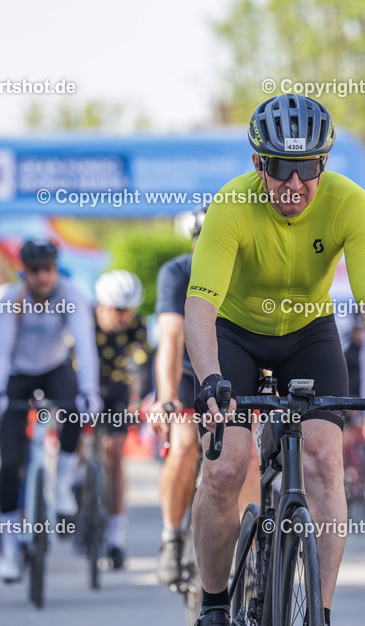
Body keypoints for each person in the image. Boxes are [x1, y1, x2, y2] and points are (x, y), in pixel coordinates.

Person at [185, 93, 365, 626]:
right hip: (235, 332)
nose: (293, 184)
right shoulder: (232, 203)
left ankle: (320, 612)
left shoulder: (349, 202)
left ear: (323, 163)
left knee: (326, 462)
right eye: (280, 169)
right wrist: (212, 378)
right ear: (258, 163)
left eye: (307, 168)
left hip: (308, 332)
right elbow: (199, 305)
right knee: (226, 468)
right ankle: (215, 603)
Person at [0, 238, 102, 582]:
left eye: (48, 269)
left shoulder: (70, 295)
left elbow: (84, 343)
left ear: (55, 269)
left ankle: (64, 483)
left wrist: (90, 390)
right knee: (8, 464)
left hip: (54, 368)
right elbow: (1, 351)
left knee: (75, 409)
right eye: (35, 271)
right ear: (25, 272)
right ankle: (9, 549)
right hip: (19, 374)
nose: (42, 277)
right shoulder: (12, 301)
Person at [151, 211, 204, 585]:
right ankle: (171, 538)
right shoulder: (178, 272)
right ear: (194, 242)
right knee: (185, 445)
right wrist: (166, 397)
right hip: (188, 373)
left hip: (237, 372)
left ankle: (253, 554)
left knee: (250, 455)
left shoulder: (249, 266)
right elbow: (170, 338)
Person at [93, 269, 151, 569]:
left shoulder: (136, 326)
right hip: (86, 390)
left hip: (116, 394)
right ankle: (75, 482)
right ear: (102, 305)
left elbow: (141, 366)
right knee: (74, 440)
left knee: (114, 454)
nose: (123, 317)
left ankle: (116, 536)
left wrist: (136, 400)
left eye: (128, 311)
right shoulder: (85, 321)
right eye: (117, 310)